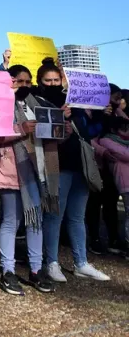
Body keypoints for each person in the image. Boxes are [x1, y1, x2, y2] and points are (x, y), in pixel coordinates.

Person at [0, 65, 61, 296]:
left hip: (37, 170)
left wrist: (60, 125)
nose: (24, 86)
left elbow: (54, 137)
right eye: (19, 81)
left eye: (28, 82)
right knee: (11, 220)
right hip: (11, 170)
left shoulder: (38, 105)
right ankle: (8, 270)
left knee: (35, 220)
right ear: (10, 81)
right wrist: (20, 129)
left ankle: (36, 270)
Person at [35, 58, 110, 282]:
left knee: (77, 216)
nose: (53, 83)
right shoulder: (37, 102)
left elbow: (87, 133)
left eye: (56, 79)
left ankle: (81, 262)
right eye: (48, 80)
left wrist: (101, 117)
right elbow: (40, 134)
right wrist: (59, 119)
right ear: (40, 82)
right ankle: (52, 262)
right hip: (56, 165)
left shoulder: (74, 103)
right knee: (54, 215)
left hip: (79, 165)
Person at [85, 83, 128, 255]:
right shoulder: (91, 112)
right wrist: (102, 151)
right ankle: (94, 238)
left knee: (110, 203)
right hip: (95, 163)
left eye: (119, 99)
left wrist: (117, 111)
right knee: (94, 204)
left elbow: (126, 125)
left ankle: (113, 238)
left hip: (110, 167)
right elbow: (86, 136)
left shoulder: (115, 114)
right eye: (114, 98)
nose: (117, 101)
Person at [94, 118, 129, 258]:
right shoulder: (107, 141)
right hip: (125, 182)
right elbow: (126, 155)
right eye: (124, 128)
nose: (127, 132)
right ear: (114, 130)